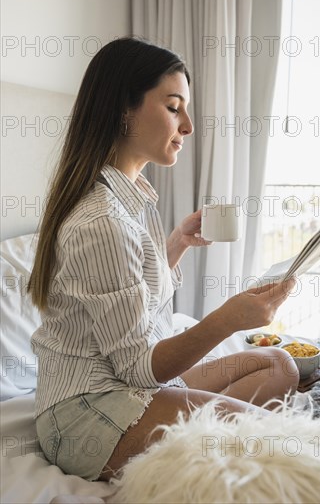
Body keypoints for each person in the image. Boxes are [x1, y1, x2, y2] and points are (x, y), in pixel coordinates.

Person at [28, 37, 299, 483]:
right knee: (269, 440)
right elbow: (138, 366)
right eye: (174, 107)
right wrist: (228, 319)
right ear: (123, 110)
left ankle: (196, 445)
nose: (189, 125)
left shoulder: (133, 202)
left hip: (135, 387)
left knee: (278, 365)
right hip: (86, 415)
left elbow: (133, 300)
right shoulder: (101, 221)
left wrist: (173, 244)